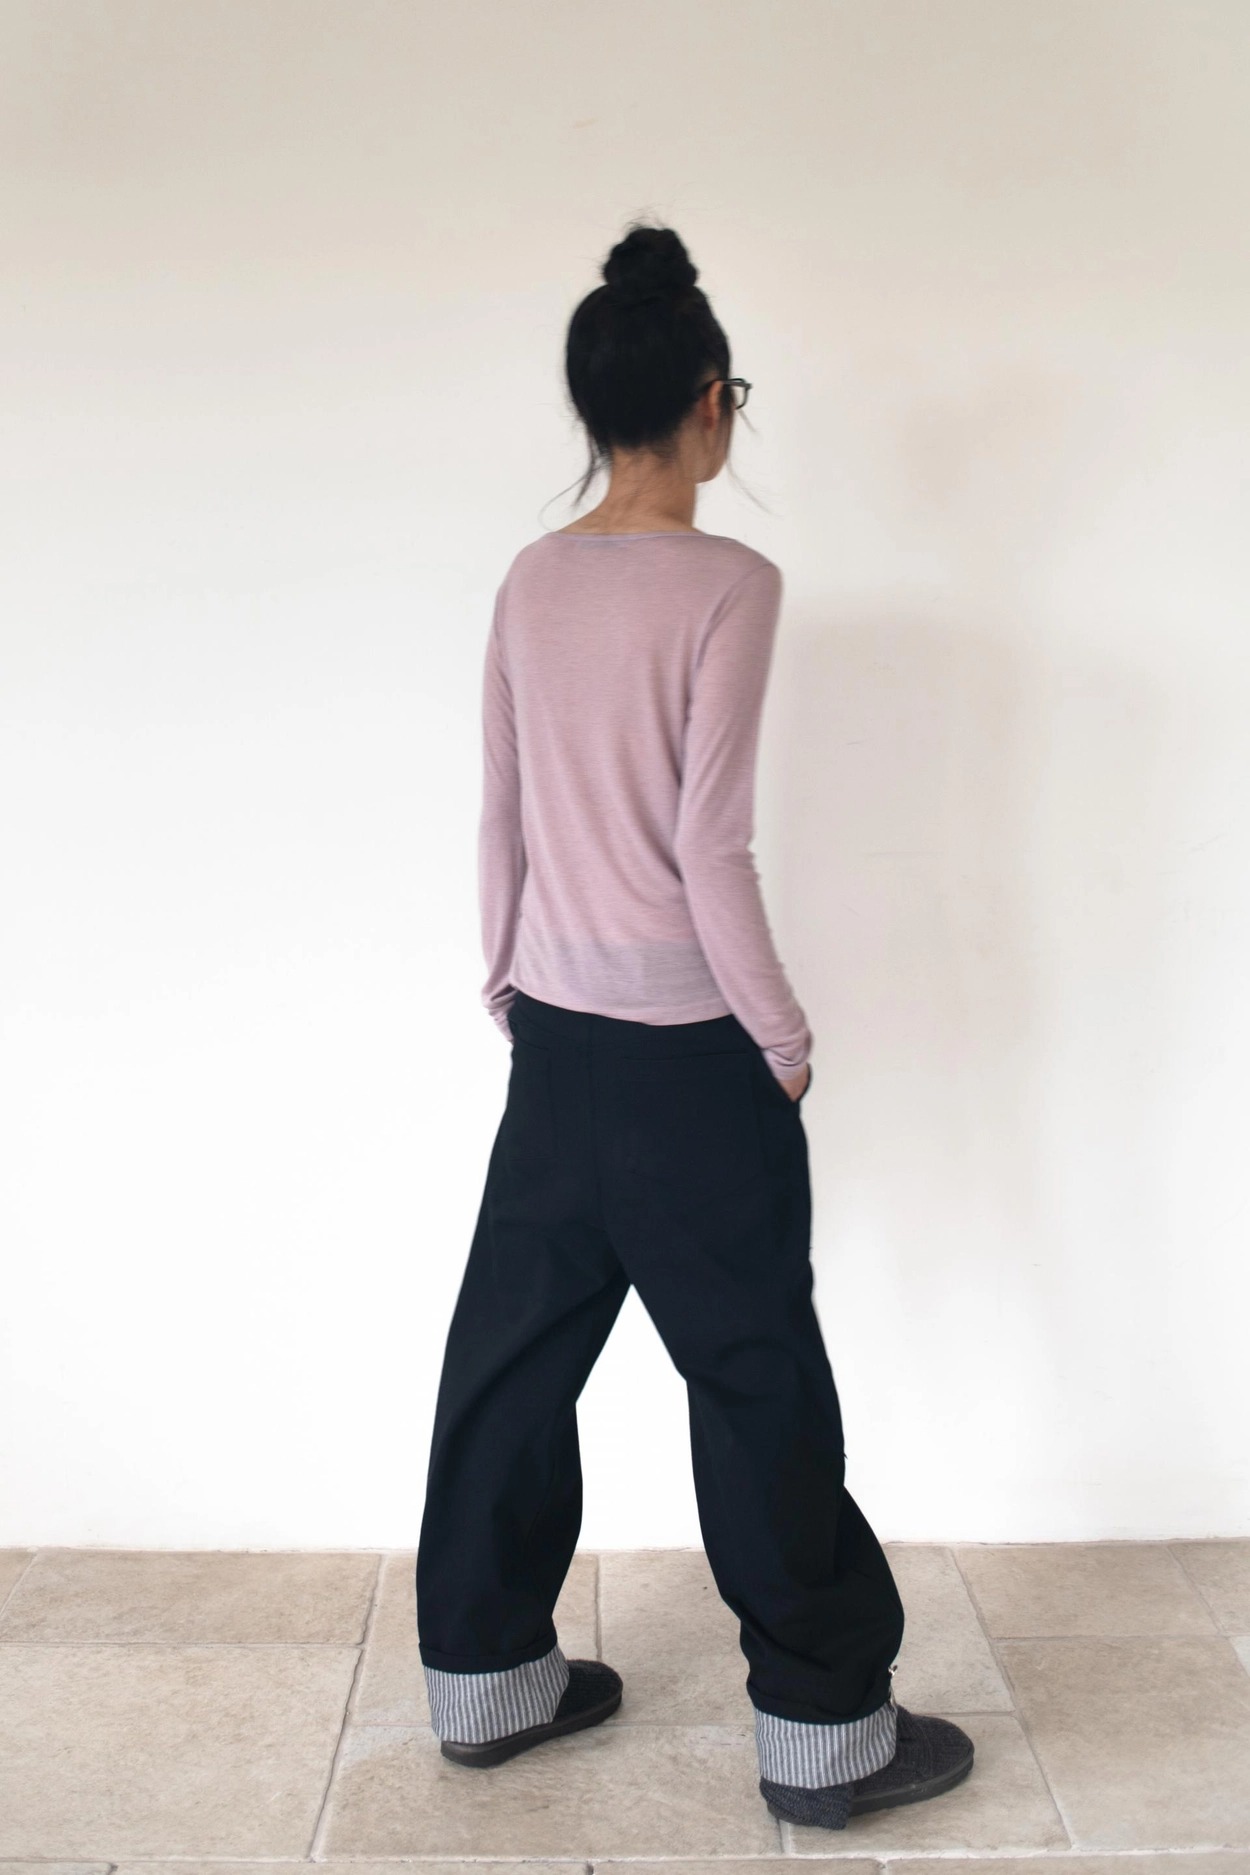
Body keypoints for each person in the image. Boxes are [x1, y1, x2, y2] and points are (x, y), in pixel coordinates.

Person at [415, 220, 974, 1831]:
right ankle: (825, 1735)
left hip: (556, 1042)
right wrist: (780, 1042)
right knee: (753, 1381)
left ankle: (489, 1686)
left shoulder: (531, 579)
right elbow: (707, 845)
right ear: (712, 401)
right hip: (689, 1056)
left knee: (508, 1365)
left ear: (594, 407)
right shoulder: (732, 584)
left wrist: (508, 984)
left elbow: (500, 813)